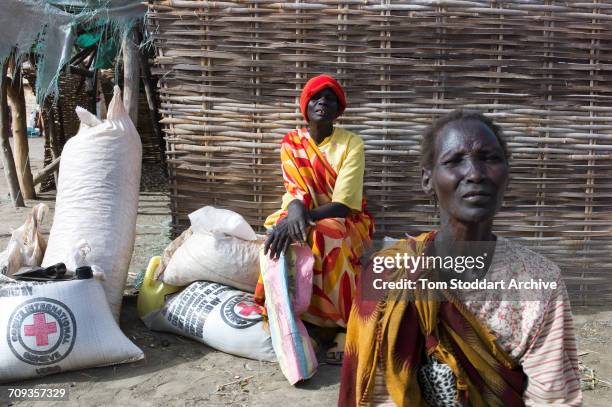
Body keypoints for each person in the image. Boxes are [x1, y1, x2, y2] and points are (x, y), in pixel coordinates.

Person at [339, 110, 582, 406]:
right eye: (455, 161)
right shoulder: (388, 273)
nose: (476, 174)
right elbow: (376, 393)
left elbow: (554, 399)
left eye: (490, 158)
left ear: (507, 174)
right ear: (428, 180)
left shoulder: (540, 282)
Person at [255, 74, 374, 331]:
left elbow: (343, 205)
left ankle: (337, 322)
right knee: (277, 228)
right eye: (316, 97)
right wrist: (294, 214)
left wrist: (303, 217)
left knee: (324, 234)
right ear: (305, 106)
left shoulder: (352, 144)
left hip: (347, 219)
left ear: (338, 110)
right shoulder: (291, 143)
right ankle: (283, 308)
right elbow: (294, 189)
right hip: (304, 212)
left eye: (330, 99)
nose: (322, 102)